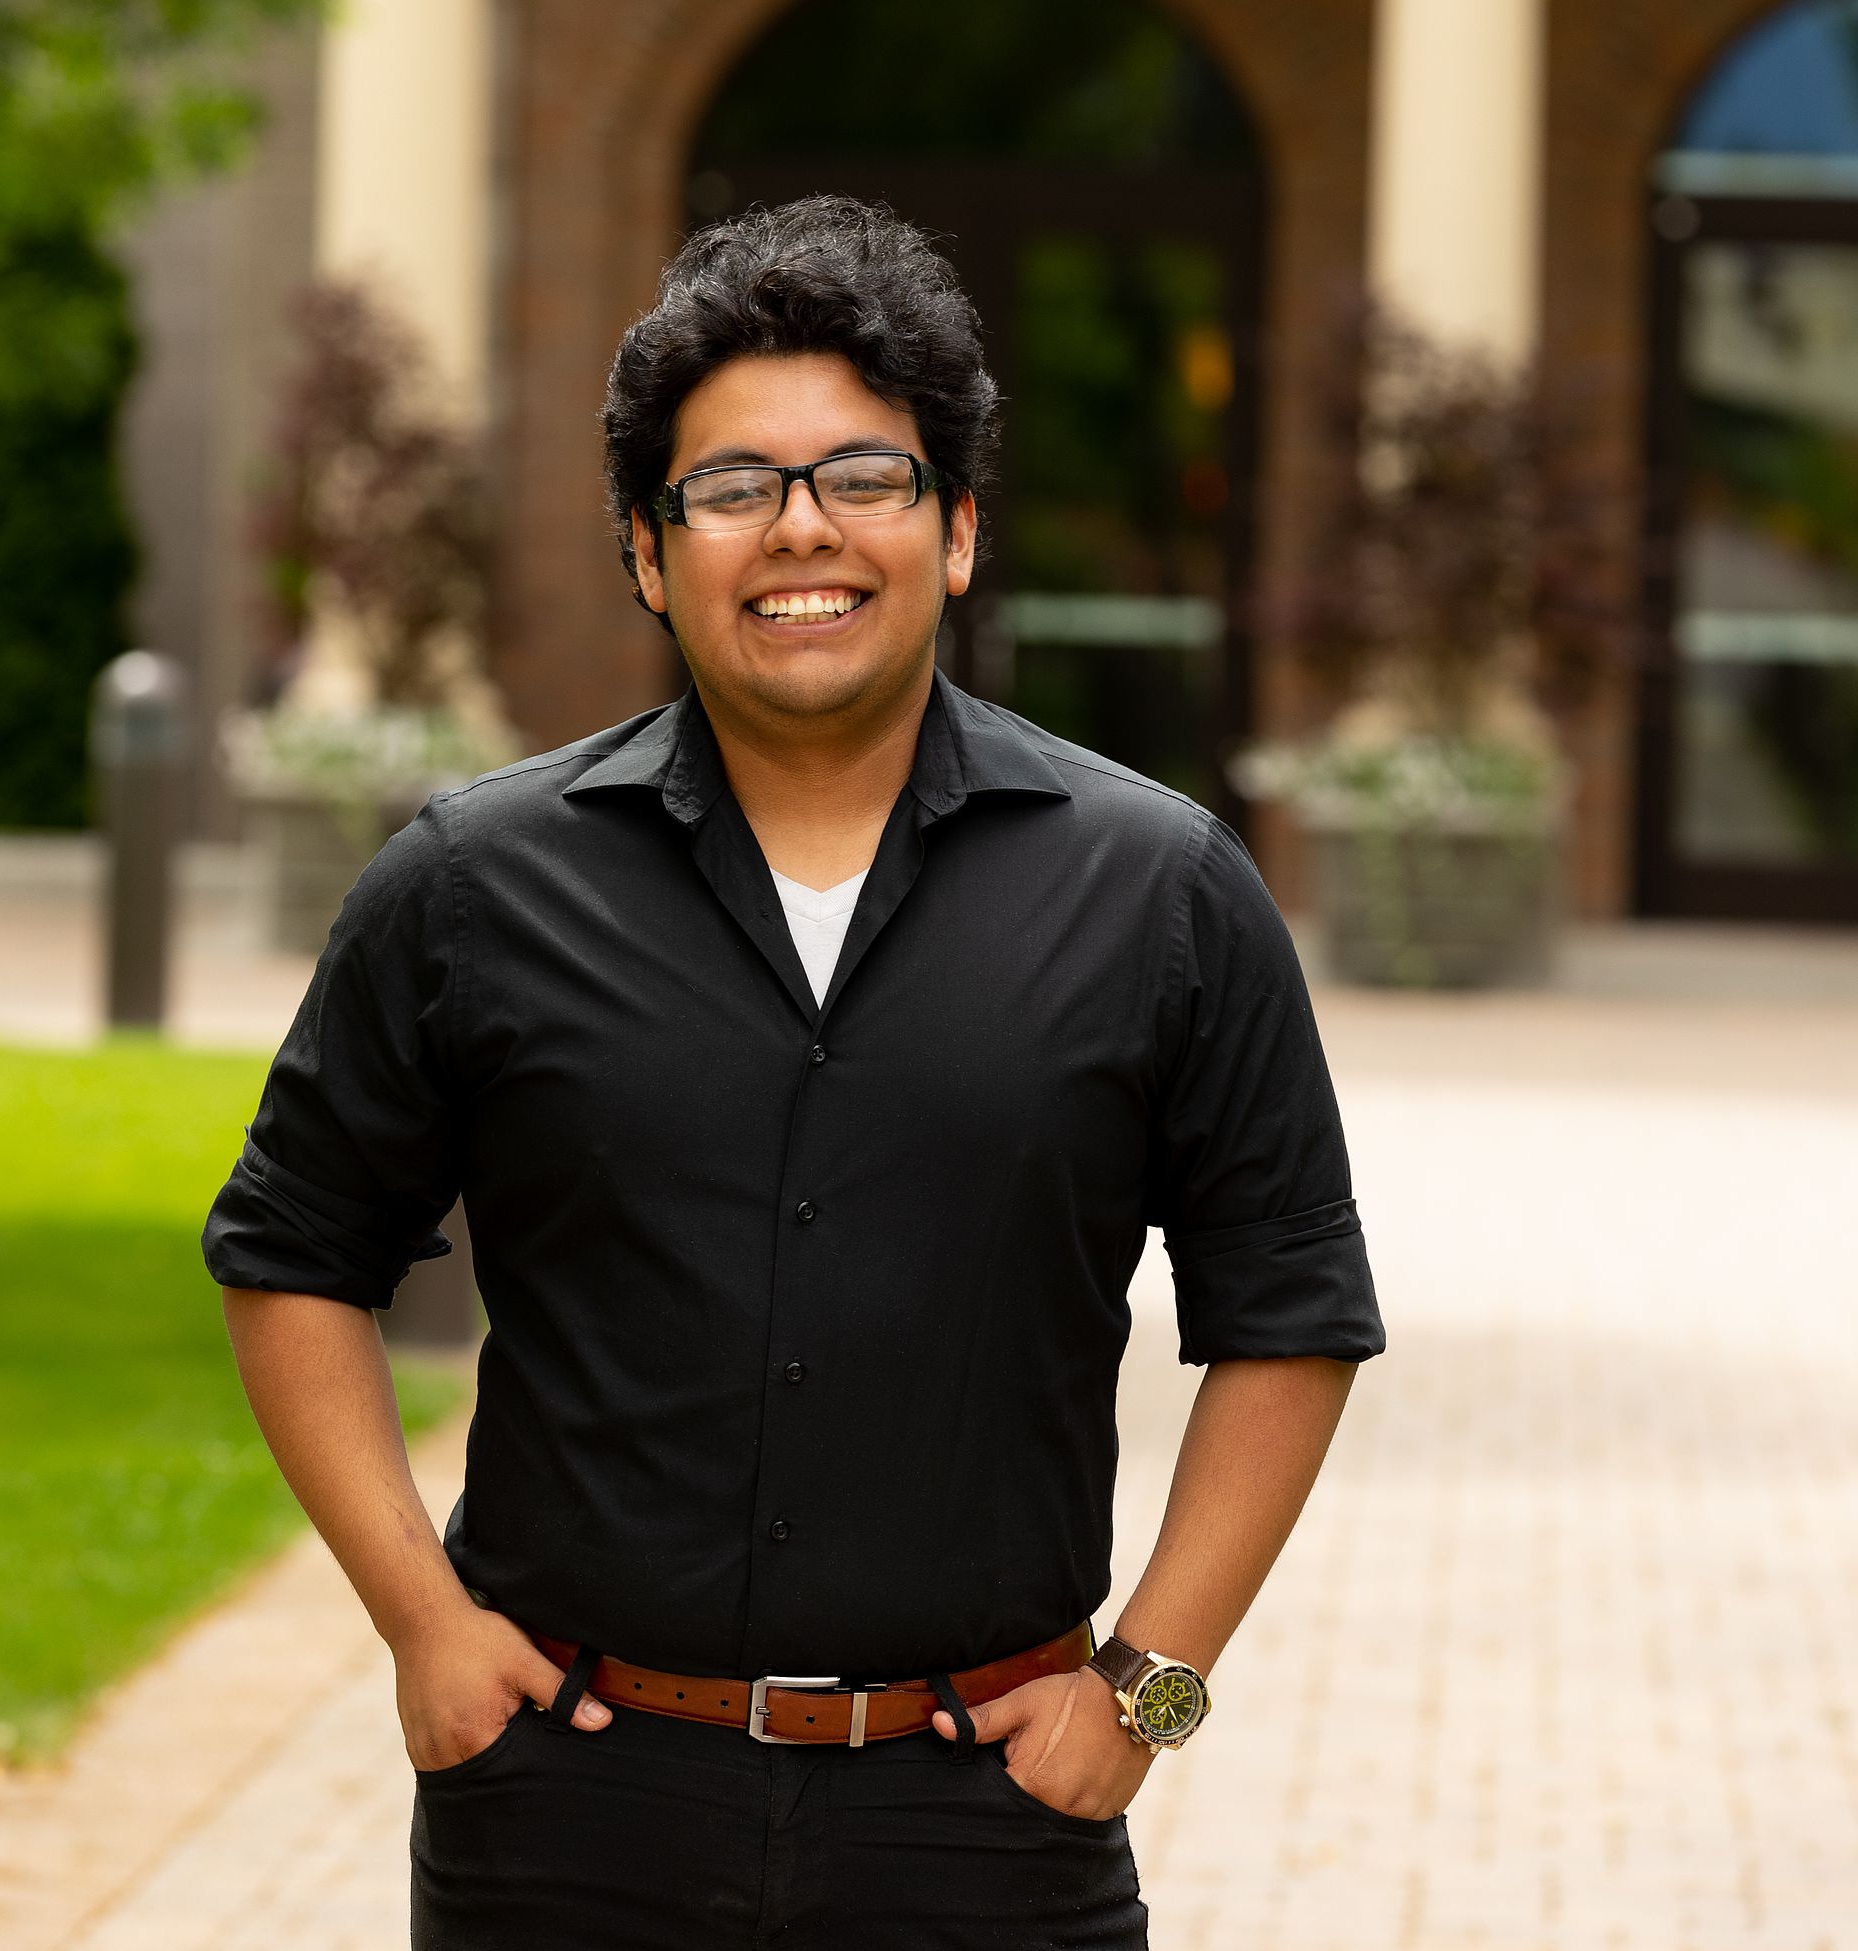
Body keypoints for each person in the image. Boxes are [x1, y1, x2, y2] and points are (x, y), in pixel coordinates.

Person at [204, 193, 1385, 1949]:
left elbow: (1288, 1310)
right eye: (732, 486)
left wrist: (1147, 1694)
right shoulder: (467, 888)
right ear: (645, 548)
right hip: (569, 1815)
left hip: (986, 1829)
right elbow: (292, 1254)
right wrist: (420, 1626)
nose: (800, 530)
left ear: (960, 529)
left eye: (865, 477)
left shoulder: (1164, 892)